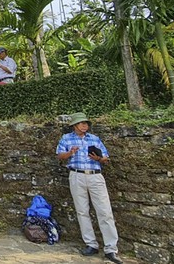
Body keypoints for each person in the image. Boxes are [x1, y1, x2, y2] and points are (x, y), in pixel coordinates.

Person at [55, 112, 123, 264]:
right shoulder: (66, 138)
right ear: (75, 125)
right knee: (82, 211)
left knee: (105, 211)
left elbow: (106, 158)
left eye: (86, 123)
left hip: (95, 175)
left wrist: (98, 158)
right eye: (82, 123)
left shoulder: (94, 139)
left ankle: (111, 248)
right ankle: (91, 244)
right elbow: (59, 155)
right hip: (76, 174)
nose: (85, 125)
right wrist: (70, 153)